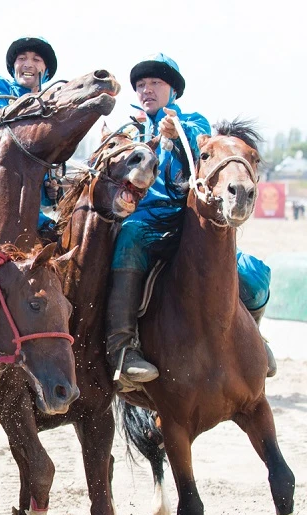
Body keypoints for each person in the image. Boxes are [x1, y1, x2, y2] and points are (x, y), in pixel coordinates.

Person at [106, 53, 275, 387]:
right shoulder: (132, 131)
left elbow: (201, 150)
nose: (146, 89)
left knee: (255, 276)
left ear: (173, 91)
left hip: (188, 225)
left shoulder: (192, 121)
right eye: (141, 85)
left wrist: (175, 130)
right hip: (145, 226)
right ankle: (122, 348)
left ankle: (254, 336)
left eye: (155, 83)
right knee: (130, 235)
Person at [0, 36, 61, 236]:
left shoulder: (54, 105)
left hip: (33, 212)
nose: (28, 64)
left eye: (36, 60)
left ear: (47, 70)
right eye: (22, 58)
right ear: (13, 65)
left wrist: (53, 193)